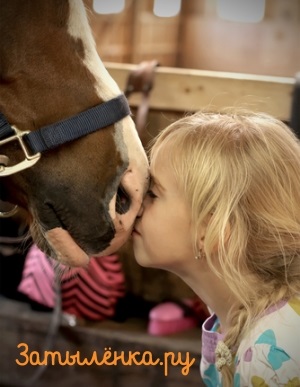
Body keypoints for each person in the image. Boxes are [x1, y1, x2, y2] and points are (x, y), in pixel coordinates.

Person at [132, 110, 300, 386]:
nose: (137, 205)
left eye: (153, 193)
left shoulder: (274, 355)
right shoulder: (239, 325)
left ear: (212, 230)